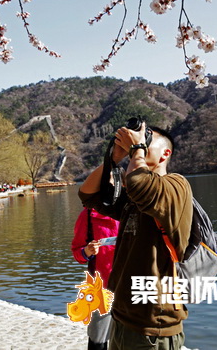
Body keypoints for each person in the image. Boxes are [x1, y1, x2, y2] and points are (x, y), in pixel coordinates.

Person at [78, 121, 193, 350]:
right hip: (122, 318)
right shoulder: (133, 199)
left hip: (152, 325)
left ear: (165, 154)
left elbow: (140, 183)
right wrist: (113, 159)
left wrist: (136, 148)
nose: (139, 145)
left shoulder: (176, 185)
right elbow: (88, 194)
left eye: (148, 142)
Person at [71, 207, 119, 350]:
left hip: (129, 286)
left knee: (130, 339)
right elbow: (77, 252)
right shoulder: (87, 215)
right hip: (101, 289)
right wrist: (86, 251)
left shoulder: (132, 211)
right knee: (98, 340)